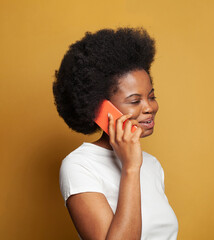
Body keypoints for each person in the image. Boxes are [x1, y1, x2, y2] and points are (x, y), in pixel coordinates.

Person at [53, 28, 178, 240]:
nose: (149, 108)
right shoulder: (79, 165)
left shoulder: (152, 165)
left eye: (151, 96)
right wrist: (130, 167)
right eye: (135, 100)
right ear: (100, 109)